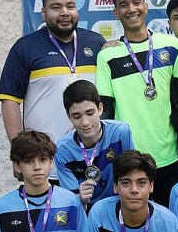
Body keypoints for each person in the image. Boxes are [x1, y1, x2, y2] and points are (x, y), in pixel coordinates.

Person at [0, 0, 106, 181]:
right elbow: (10, 102)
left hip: (95, 162)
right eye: (56, 7)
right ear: (43, 13)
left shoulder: (97, 43)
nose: (64, 12)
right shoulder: (25, 47)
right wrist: (19, 153)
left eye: (70, 6)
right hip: (47, 165)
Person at [96, 0, 178, 207]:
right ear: (116, 12)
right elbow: (105, 113)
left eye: (136, 2)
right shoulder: (107, 56)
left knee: (166, 224)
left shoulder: (172, 45)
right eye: (123, 5)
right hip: (129, 158)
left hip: (169, 156)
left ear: (145, 6)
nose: (131, 9)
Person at [56, 80, 134, 210]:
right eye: (76, 116)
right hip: (87, 211)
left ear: (100, 109)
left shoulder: (120, 132)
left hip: (120, 206)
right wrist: (79, 197)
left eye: (90, 113)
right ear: (68, 116)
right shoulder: (62, 150)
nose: (85, 122)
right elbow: (70, 200)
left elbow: (133, 174)